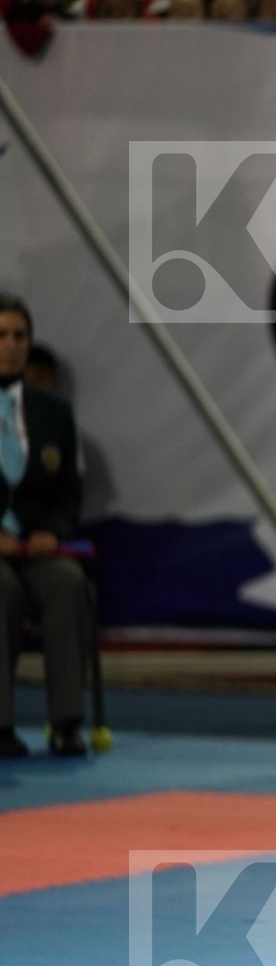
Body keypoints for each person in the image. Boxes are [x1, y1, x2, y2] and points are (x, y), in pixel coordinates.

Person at [0, 294, 88, 758]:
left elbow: (70, 490)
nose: (11, 346)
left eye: (20, 337)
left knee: (68, 582)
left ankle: (66, 722)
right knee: (1, 590)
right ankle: (0, 726)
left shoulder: (54, 413)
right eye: (1, 336)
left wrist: (53, 531)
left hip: (34, 547)